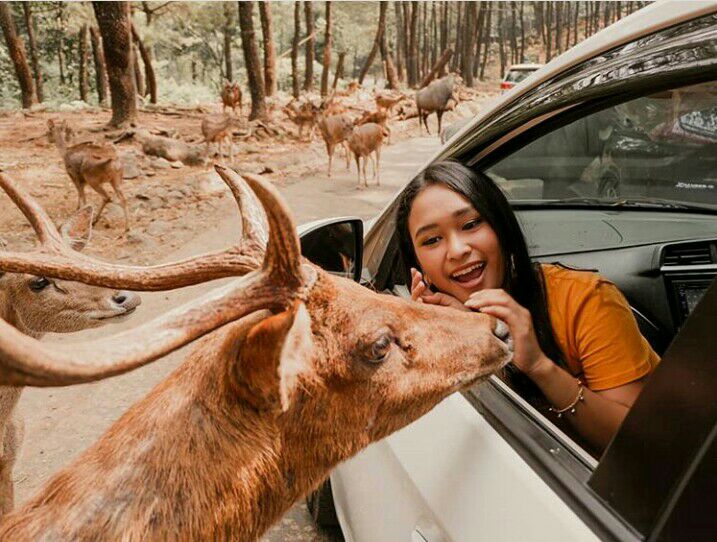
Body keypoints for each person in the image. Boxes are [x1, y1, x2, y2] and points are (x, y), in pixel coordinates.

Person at [396, 160, 659, 453]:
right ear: (417, 266)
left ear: (501, 226)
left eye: (471, 224)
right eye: (432, 240)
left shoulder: (585, 299)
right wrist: (461, 341)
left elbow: (637, 444)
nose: (458, 250)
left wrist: (538, 366)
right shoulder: (432, 329)